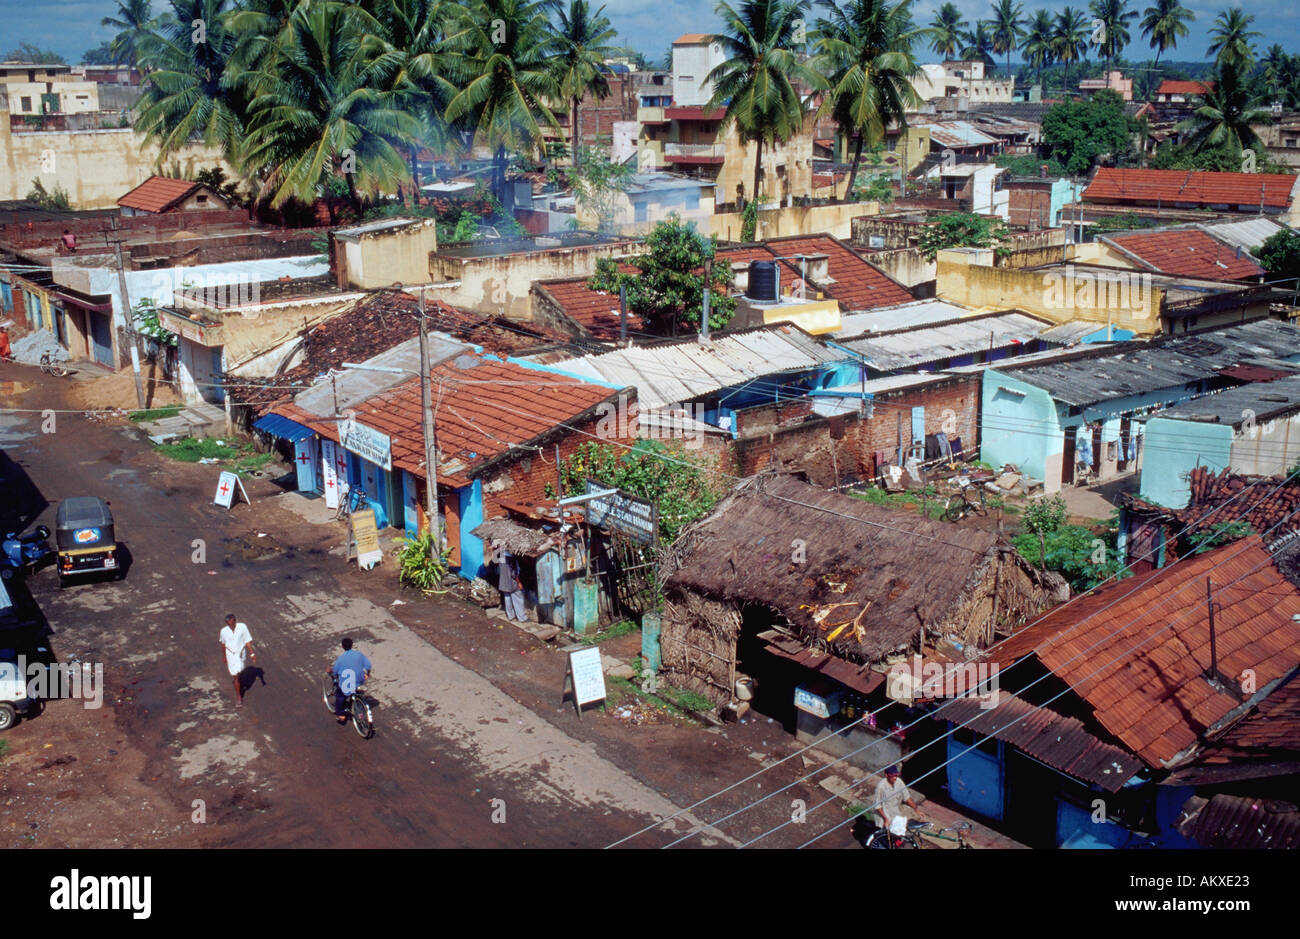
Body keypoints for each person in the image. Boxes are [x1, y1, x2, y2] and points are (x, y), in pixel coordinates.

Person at [329, 637, 371, 725]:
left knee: (340, 695)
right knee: (354, 687)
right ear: (352, 645)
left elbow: (335, 671)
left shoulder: (341, 658)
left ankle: (341, 714)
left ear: (342, 646)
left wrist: (330, 670)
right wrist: (367, 674)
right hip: (359, 679)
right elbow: (368, 665)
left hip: (347, 682)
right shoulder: (359, 654)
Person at [218, 614, 255, 708]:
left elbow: (247, 641)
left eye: (230, 623)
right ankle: (239, 696)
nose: (229, 625)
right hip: (230, 655)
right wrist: (224, 657)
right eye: (227, 623)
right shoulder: (223, 631)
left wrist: (252, 654)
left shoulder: (242, 627)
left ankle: (239, 679)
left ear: (234, 620)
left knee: (240, 671)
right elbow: (223, 644)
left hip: (241, 653)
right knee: (235, 676)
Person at [874, 764, 919, 832]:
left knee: (900, 833)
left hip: (895, 812)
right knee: (886, 835)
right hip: (883, 815)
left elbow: (907, 798)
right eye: (892, 776)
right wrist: (886, 819)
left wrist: (916, 809)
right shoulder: (881, 787)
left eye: (896, 775)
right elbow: (878, 807)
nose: (895, 778)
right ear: (886, 775)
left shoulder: (899, 782)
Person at [495, 542, 525, 623]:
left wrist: (496, 550)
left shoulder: (500, 557)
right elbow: (514, 574)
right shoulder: (511, 559)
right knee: (518, 598)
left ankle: (510, 616)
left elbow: (494, 560)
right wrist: (519, 582)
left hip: (503, 582)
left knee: (507, 598)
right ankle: (521, 618)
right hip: (511, 582)